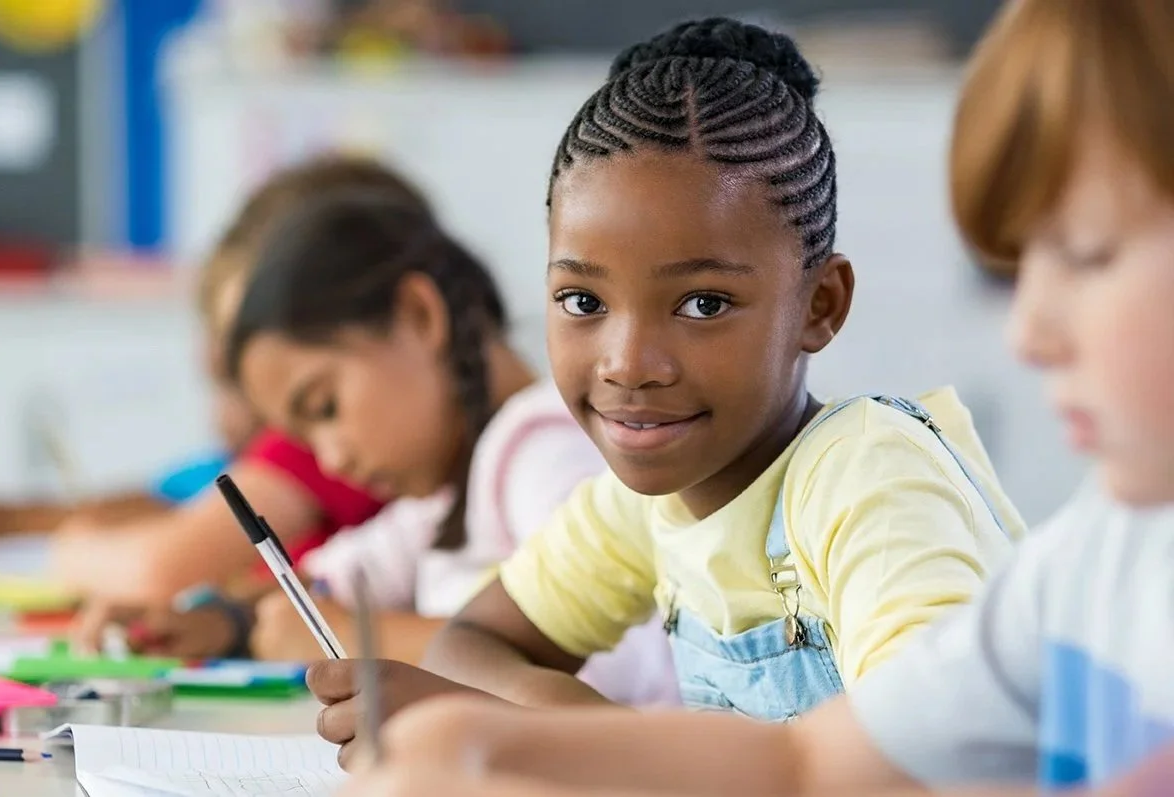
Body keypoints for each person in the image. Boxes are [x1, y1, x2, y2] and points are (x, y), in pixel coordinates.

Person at [332, 1, 1174, 795]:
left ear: (820, 305)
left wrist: (539, 742)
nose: (1027, 332)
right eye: (583, 301)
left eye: (1088, 253)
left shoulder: (874, 482)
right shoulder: (1089, 561)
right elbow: (804, 762)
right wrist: (488, 739)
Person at [228, 189, 678, 694]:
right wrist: (231, 620)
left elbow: (610, 672)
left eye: (326, 408)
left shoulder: (542, 446)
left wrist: (352, 638)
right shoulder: (455, 486)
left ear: (420, 315)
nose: (331, 460)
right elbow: (336, 578)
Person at [59, 155, 427, 656]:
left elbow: (158, 570)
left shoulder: (326, 442)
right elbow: (325, 590)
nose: (259, 394)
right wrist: (229, 621)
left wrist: (68, 547)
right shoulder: (387, 475)